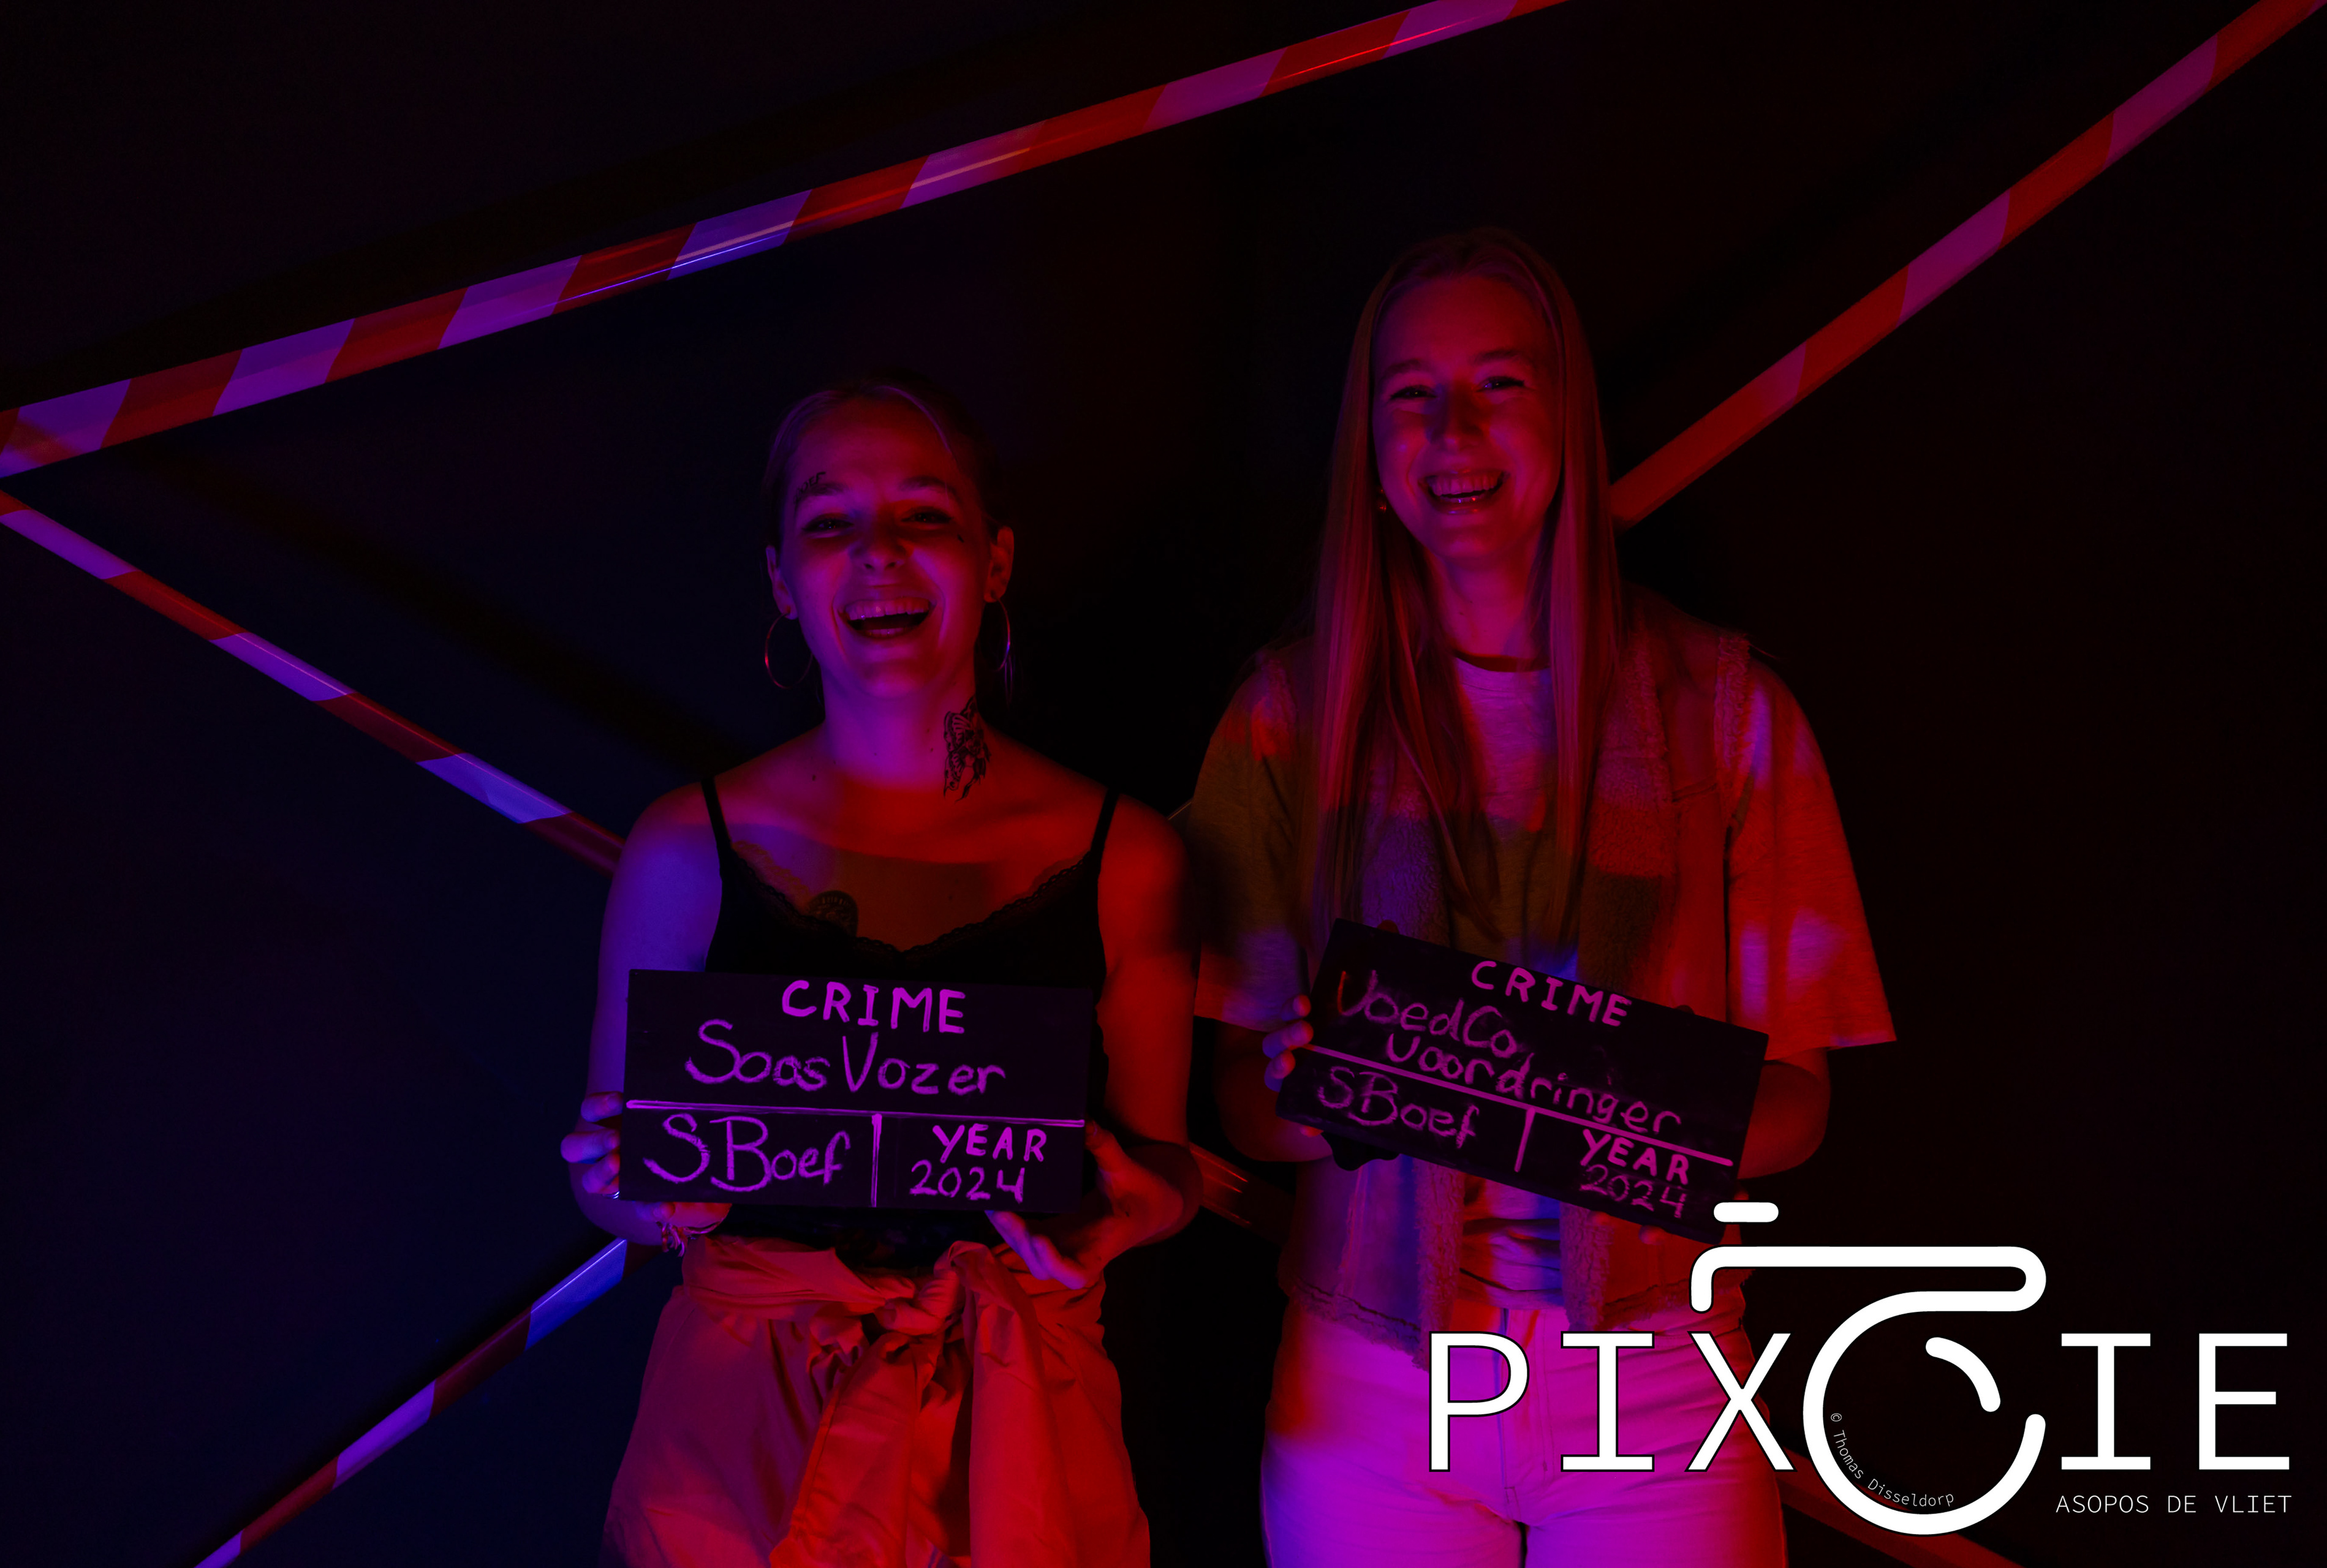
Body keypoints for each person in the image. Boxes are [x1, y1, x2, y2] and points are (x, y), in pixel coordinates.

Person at [1186, 230, 1893, 1566]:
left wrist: (1584, 1097)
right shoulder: (1285, 716)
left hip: (1659, 1376)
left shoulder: (1729, 711)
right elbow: (1239, 1101)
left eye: (1499, 384)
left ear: (1568, 420)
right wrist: (1332, 1092)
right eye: (1411, 393)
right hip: (1369, 1378)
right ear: (1370, 450)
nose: (1453, 430)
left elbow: (1800, 1109)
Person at [560, 372, 1200, 1568]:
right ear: (780, 581)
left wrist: (1131, 1213)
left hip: (1016, 1441)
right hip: (738, 1447)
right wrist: (638, 1193)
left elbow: (1166, 1172)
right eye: (830, 521)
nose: (879, 554)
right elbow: (614, 1181)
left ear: (995, 560)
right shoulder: (685, 846)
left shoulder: (1129, 857)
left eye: (925, 514)